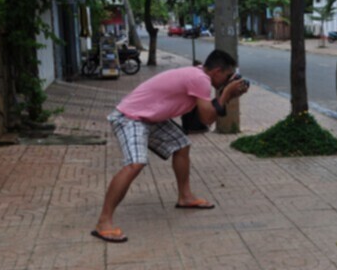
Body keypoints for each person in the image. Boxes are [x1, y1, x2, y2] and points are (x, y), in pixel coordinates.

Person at [92, 49, 249, 243]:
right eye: (227, 76)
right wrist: (226, 94)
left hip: (149, 118)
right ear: (216, 71)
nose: (228, 80)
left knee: (181, 144)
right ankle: (103, 221)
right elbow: (208, 117)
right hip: (130, 117)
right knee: (136, 163)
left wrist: (228, 95)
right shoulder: (200, 79)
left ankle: (185, 197)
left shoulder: (198, 75)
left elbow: (203, 119)